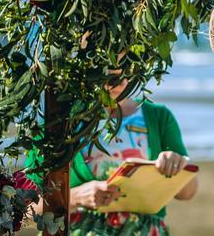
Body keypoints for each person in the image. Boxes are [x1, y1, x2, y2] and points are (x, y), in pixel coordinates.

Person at [27, 69, 198, 235]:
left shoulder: (158, 116)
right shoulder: (56, 123)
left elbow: (188, 193)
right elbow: (27, 208)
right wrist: (75, 198)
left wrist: (176, 166)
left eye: (128, 70)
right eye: (110, 75)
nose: (122, 82)